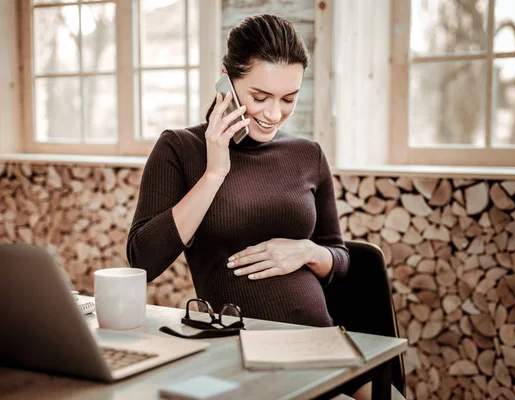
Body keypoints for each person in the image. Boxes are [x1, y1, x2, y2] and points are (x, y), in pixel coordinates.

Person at [126, 14, 394, 400]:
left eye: (289, 99)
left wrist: (305, 251)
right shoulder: (180, 149)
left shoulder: (308, 155)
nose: (274, 114)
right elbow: (142, 262)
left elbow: (340, 255)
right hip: (245, 351)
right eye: (259, 97)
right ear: (226, 80)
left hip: (323, 343)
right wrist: (215, 171)